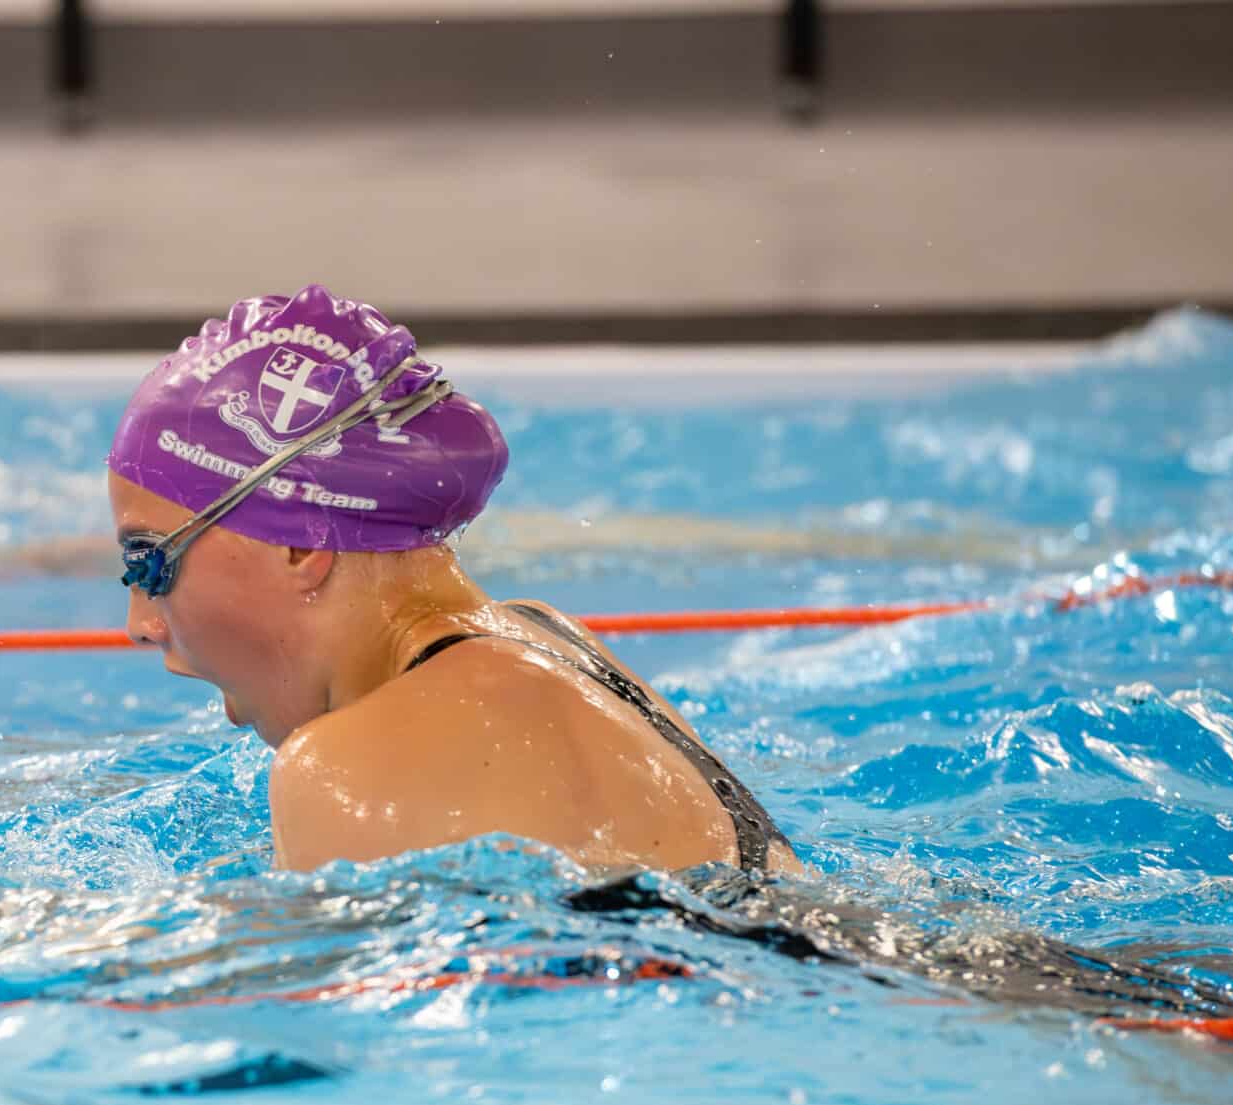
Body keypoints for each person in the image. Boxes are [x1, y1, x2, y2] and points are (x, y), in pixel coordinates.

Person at [107, 286, 800, 876]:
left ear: (300, 544)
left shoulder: (341, 768)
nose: (142, 620)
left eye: (149, 560)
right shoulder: (549, 636)